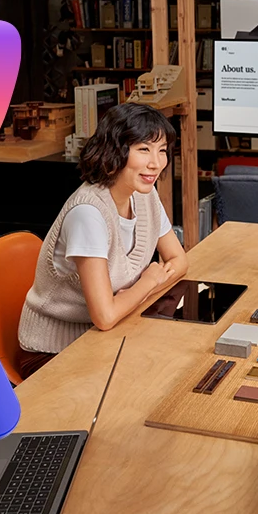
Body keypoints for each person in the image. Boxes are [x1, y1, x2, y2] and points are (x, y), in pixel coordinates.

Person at [19, 103, 189, 374]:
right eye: (144, 149)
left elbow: (179, 261)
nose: (156, 163)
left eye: (162, 151)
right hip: (55, 350)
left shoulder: (144, 194)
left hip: (113, 333)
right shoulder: (88, 213)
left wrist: (135, 294)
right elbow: (105, 317)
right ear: (115, 150)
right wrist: (147, 282)